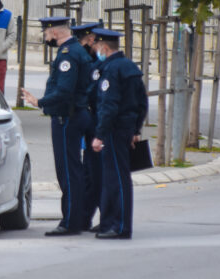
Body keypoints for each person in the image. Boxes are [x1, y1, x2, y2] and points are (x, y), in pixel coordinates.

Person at [21, 16, 92, 236]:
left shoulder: (67, 55)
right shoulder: (76, 51)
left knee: (68, 172)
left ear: (54, 32)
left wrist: (39, 102)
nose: (45, 37)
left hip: (66, 119)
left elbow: (64, 91)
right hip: (76, 115)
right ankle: (79, 219)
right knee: (75, 170)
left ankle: (71, 222)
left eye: (45, 33)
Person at [91, 28, 148, 239]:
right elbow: (142, 102)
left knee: (117, 179)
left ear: (104, 47)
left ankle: (121, 226)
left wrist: (100, 135)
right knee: (113, 178)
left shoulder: (112, 70)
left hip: (114, 131)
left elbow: (109, 106)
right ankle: (108, 223)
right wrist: (136, 129)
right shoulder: (129, 66)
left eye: (97, 47)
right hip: (125, 129)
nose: (96, 51)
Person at [69, 22, 103, 232]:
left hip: (100, 126)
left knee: (98, 175)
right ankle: (84, 218)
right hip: (91, 124)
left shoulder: (99, 63)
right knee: (90, 175)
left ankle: (107, 217)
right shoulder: (86, 59)